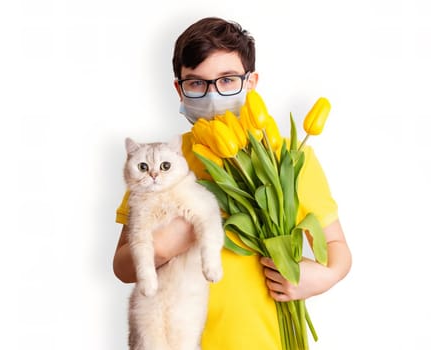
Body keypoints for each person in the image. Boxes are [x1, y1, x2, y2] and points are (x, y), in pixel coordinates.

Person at [113, 16, 352, 349]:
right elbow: (122, 266)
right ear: (179, 88)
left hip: (267, 340)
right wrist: (164, 247)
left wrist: (324, 276)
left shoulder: (289, 158)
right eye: (196, 83)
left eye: (227, 80)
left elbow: (338, 247)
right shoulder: (161, 162)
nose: (212, 94)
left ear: (251, 82)